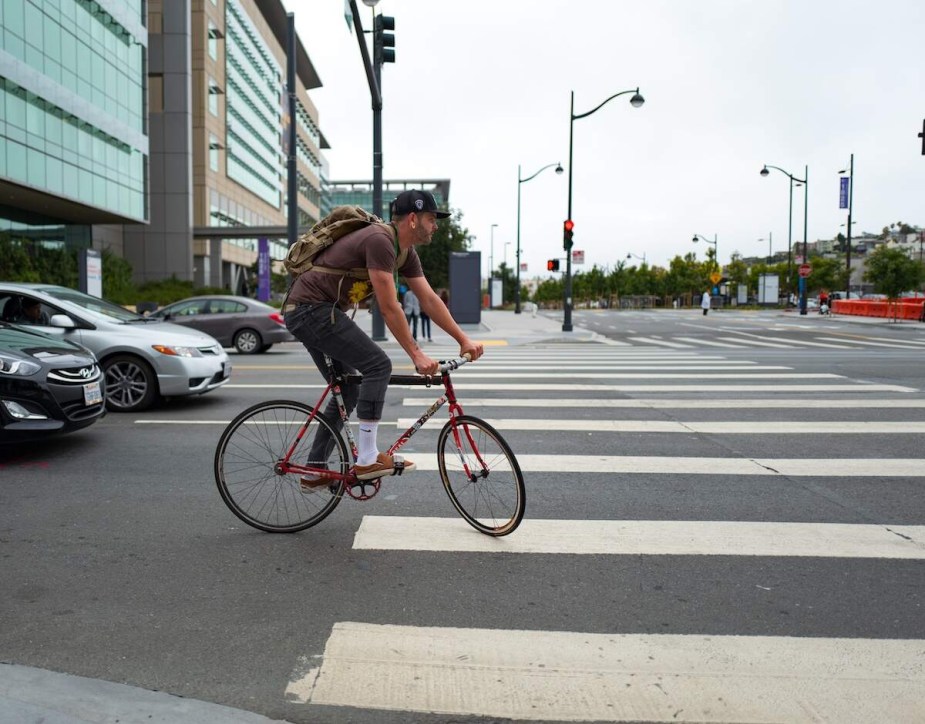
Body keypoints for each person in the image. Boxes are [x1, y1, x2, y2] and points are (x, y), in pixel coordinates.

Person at [284, 189, 484, 489]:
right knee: (378, 365)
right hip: (310, 310)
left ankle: (314, 469)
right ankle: (367, 458)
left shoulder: (405, 252)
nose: (436, 226)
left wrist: (463, 339)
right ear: (413, 219)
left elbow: (429, 299)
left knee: (348, 390)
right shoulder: (380, 240)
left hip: (317, 312)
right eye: (432, 219)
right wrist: (416, 354)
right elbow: (389, 307)